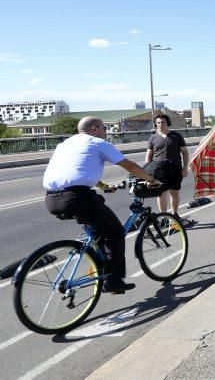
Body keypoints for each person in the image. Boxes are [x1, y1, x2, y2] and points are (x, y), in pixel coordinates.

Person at [42, 116, 162, 294]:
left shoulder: (65, 144)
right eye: (105, 128)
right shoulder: (97, 143)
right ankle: (112, 281)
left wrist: (103, 186)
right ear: (94, 128)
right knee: (115, 232)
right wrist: (151, 179)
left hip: (52, 199)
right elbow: (129, 166)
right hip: (77, 197)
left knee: (100, 228)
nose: (106, 132)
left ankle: (100, 269)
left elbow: (76, 170)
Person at [145, 114, 189, 221]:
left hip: (175, 169)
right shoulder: (153, 138)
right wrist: (147, 172)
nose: (160, 124)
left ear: (167, 123)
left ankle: (174, 214)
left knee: (174, 193)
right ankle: (163, 216)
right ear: (156, 124)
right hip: (159, 171)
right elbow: (148, 156)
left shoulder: (176, 136)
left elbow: (185, 153)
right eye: (158, 123)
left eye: (163, 122)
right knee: (161, 194)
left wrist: (185, 168)